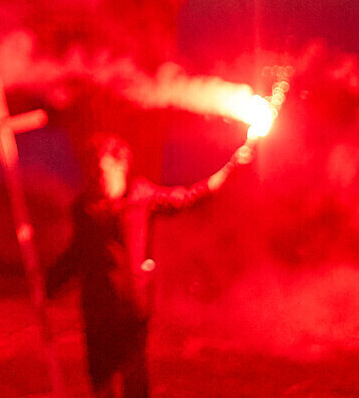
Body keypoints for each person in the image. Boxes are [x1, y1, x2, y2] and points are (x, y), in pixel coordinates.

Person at [44, 132, 252, 398]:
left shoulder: (142, 197)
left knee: (133, 374)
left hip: (132, 305)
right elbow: (76, 254)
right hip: (97, 305)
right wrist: (48, 283)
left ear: (121, 166)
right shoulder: (84, 207)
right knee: (101, 377)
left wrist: (231, 168)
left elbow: (189, 197)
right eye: (91, 171)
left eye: (100, 170)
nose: (95, 178)